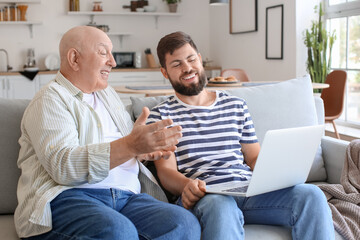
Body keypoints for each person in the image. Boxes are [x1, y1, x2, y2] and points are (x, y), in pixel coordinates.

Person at [14, 26, 201, 240]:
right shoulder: (50, 99)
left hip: (128, 197)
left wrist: (142, 152)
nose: (112, 61)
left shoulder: (107, 94)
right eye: (104, 53)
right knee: (118, 232)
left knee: (184, 223)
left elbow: (124, 146)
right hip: (69, 198)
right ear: (75, 58)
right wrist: (131, 145)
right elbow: (63, 167)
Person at [146, 31, 335, 240]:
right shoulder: (161, 115)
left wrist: (276, 174)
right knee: (221, 205)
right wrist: (186, 186)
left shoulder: (235, 105)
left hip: (248, 190)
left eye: (191, 59)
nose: (187, 68)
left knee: (312, 195)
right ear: (165, 72)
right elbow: (166, 172)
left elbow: (253, 157)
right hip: (206, 196)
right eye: (177, 64)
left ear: (199, 60)